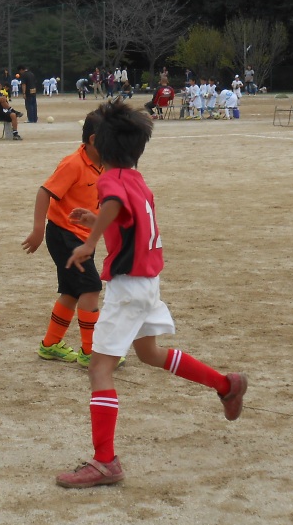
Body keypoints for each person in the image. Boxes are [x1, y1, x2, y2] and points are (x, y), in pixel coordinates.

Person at [55, 101, 247, 489]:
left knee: (99, 368)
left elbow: (113, 203)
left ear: (98, 145)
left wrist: (90, 241)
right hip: (147, 282)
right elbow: (127, 219)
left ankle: (105, 462)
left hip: (128, 287)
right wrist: (97, 222)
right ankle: (226, 385)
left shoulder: (109, 180)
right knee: (149, 354)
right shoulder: (137, 180)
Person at [22, 107, 105, 367]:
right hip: (65, 236)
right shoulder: (73, 164)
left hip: (83, 238)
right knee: (90, 288)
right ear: (94, 140)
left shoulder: (105, 164)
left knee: (71, 291)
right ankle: (91, 352)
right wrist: (38, 230)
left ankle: (50, 344)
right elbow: (44, 192)